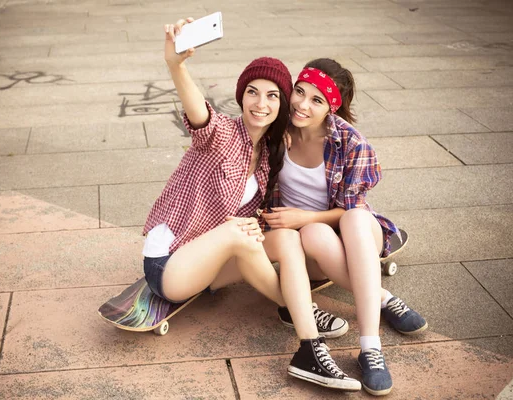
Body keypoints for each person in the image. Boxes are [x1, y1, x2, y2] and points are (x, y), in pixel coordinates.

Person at [144, 19, 358, 392]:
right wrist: (176, 64)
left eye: (273, 95)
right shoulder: (221, 132)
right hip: (170, 265)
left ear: (282, 103)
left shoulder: (265, 156)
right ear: (241, 96)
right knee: (237, 232)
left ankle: (297, 314)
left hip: (211, 264)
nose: (261, 103)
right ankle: (308, 339)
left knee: (285, 239)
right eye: (253, 93)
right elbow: (199, 113)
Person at [261, 58, 428, 396]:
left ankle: (370, 348)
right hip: (309, 241)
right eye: (299, 92)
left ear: (332, 107)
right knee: (312, 234)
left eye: (316, 100)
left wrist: (304, 216)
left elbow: (354, 208)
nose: (302, 105)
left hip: (357, 230)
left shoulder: (351, 143)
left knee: (349, 217)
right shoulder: (277, 130)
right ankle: (382, 297)